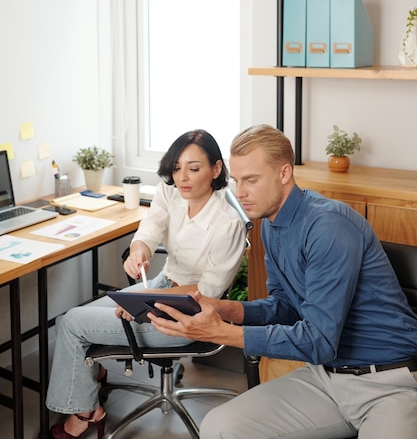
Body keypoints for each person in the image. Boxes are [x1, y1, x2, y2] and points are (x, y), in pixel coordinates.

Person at [149, 124, 417, 439]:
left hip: (388, 383)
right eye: (237, 180)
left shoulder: (327, 226)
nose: (240, 192)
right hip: (326, 380)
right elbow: (286, 306)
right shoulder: (271, 227)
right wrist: (225, 309)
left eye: (251, 180)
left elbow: (319, 341)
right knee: (219, 427)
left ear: (284, 173)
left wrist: (225, 333)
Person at [47, 129, 247, 439]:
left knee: (73, 323)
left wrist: (147, 303)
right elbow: (150, 229)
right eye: (177, 168)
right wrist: (139, 250)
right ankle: (91, 378)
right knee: (74, 318)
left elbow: (207, 295)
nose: (183, 177)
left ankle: (86, 413)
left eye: (194, 168)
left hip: (189, 315)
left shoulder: (227, 223)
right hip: (161, 285)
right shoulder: (172, 192)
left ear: (216, 169)